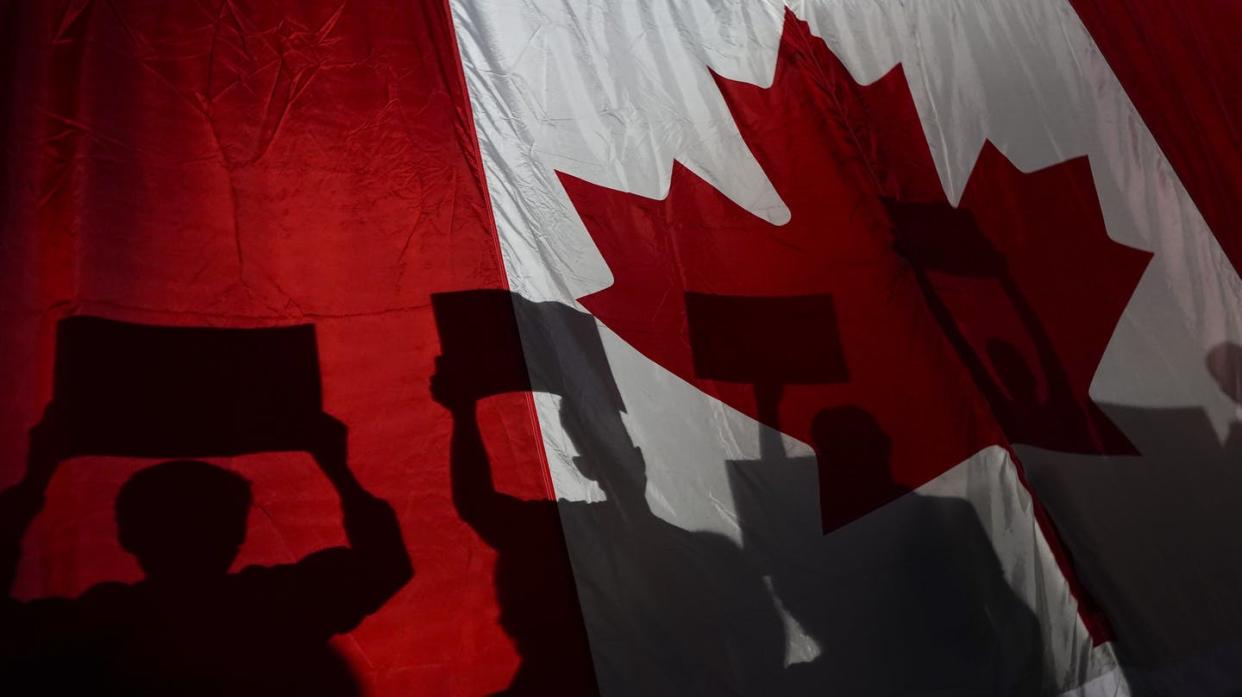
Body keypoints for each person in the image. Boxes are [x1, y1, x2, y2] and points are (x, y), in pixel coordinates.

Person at [432, 358, 784, 696]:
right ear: (586, 467)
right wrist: (462, 414)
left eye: (617, 446)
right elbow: (478, 504)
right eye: (602, 450)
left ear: (641, 458)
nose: (617, 461)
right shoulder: (573, 530)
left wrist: (768, 415)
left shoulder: (692, 551)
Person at [0, 415, 412, 696]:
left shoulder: (101, 624)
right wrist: (335, 466)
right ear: (238, 534)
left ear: (127, 536)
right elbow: (386, 565)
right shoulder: (274, 607)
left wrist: (36, 478)